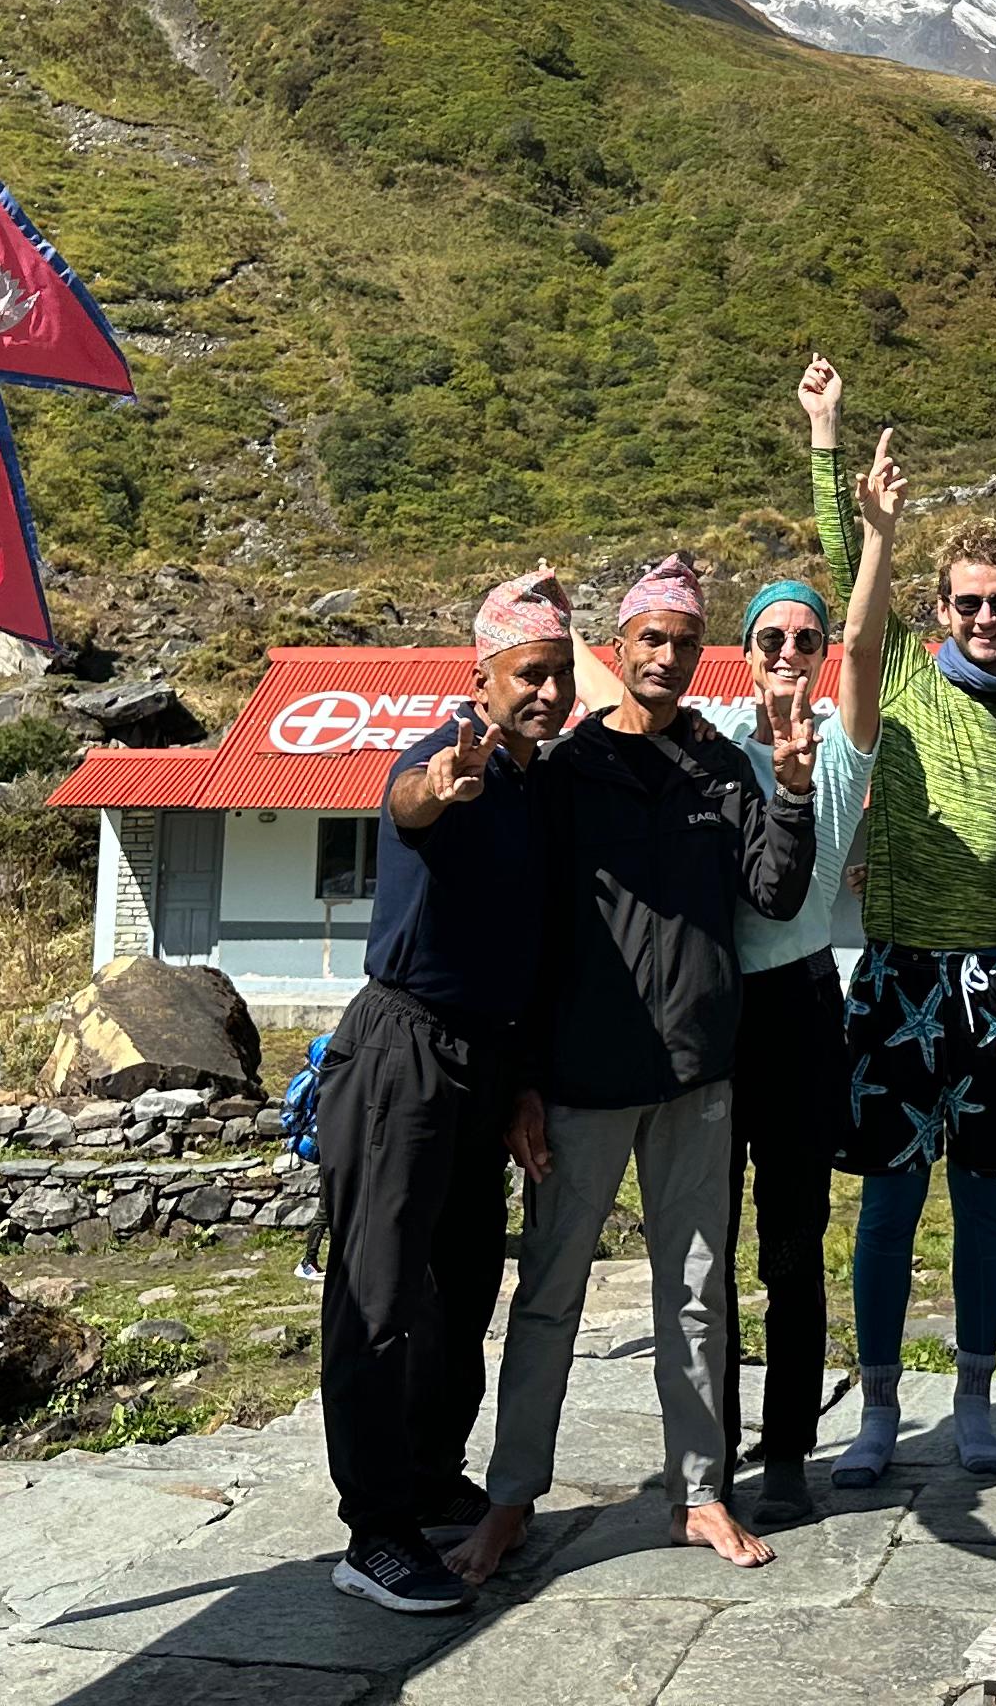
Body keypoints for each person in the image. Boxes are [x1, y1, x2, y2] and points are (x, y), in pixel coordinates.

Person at [456, 556, 818, 1582]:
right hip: (580, 1079)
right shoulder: (563, 777)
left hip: (699, 1075)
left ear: (700, 657)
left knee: (699, 1292)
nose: (665, 657)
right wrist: (524, 1078)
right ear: (617, 652)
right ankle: (511, 1496)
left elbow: (777, 896)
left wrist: (791, 793)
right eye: (649, 640)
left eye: (682, 642)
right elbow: (528, 934)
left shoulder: (718, 767)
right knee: (548, 1296)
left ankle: (698, 1492)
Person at [317, 569, 576, 1617]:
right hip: (403, 1054)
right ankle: (373, 1531)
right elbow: (411, 801)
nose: (547, 693)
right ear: (482, 677)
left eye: (559, 675)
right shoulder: (446, 758)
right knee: (376, 1297)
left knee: (461, 1289)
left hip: (481, 1064)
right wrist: (447, 779)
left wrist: (518, 1081)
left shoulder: (533, 787)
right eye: (528, 675)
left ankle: (428, 1477)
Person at [829, 430, 996, 1486]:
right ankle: (878, 1410)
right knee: (888, 1201)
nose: (983, 618)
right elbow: (856, 623)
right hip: (904, 972)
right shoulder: (903, 690)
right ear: (939, 610)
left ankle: (973, 1402)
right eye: (965, 602)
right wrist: (843, 472)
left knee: (987, 1201)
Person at [690, 357, 879, 1525]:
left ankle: (795, 1452)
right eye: (771, 639)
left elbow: (869, 632)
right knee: (705, 1246)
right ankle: (707, 1451)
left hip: (806, 1007)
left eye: (805, 639)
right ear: (745, 652)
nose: (791, 653)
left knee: (794, 1243)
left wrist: (830, 446)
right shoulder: (714, 738)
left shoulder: (848, 748)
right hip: (716, 1012)